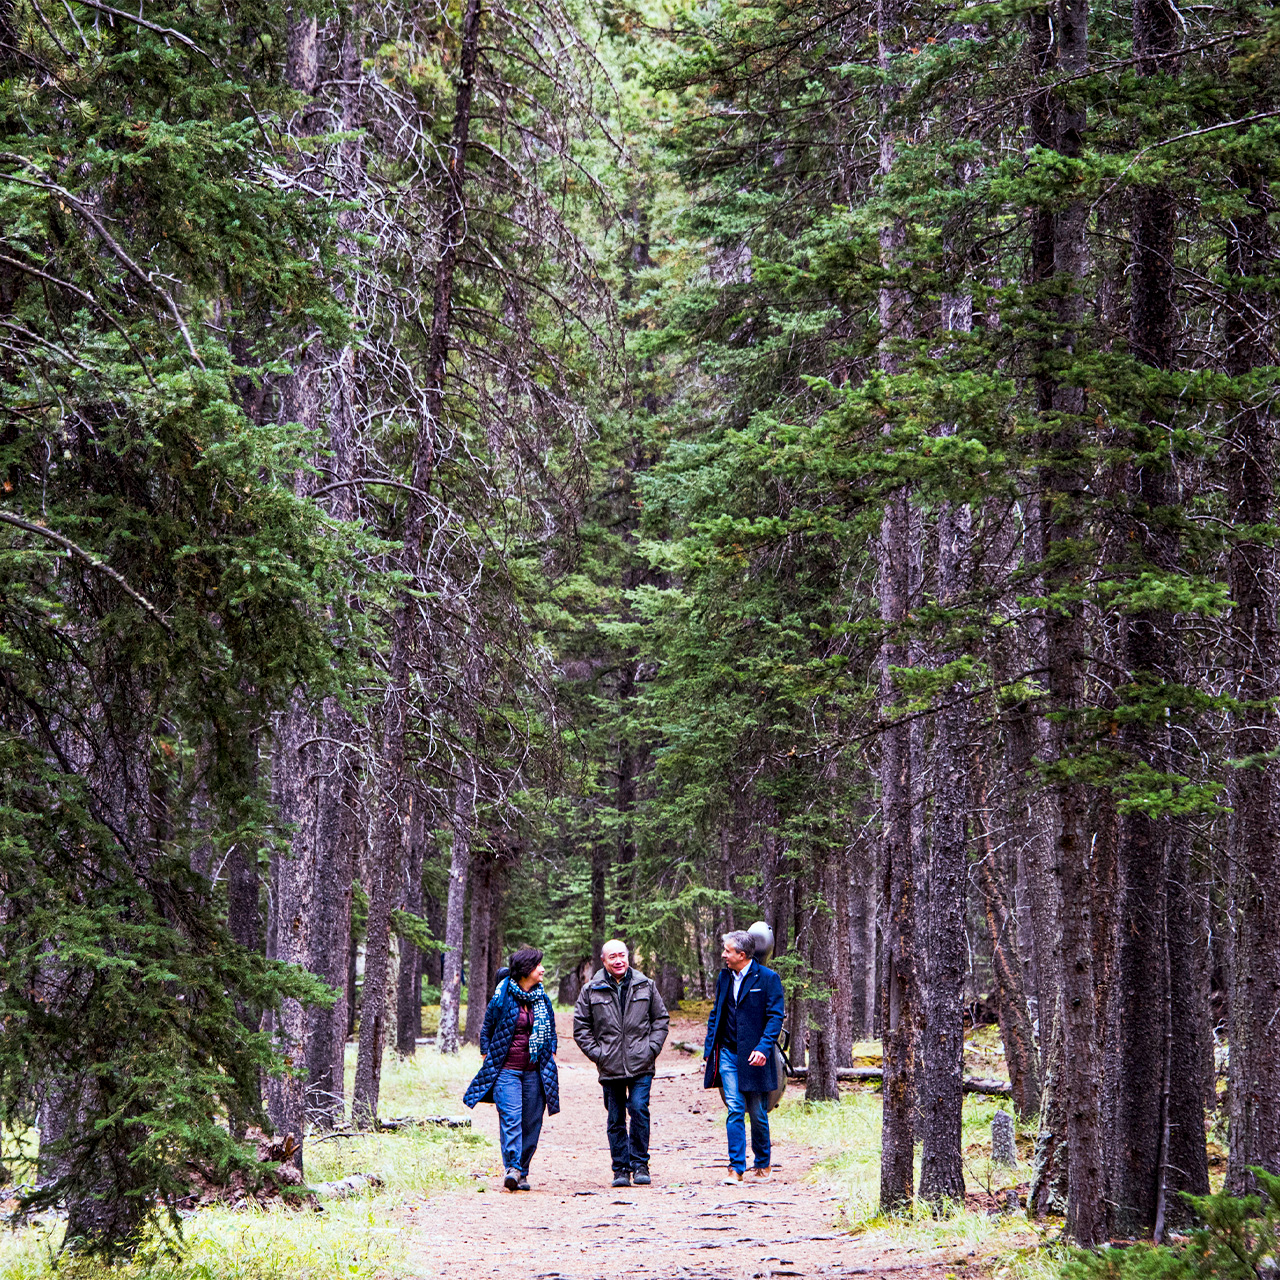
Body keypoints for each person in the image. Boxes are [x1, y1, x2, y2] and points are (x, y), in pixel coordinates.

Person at [573, 939, 670, 1187]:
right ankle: (620, 1169)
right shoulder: (591, 989)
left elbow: (660, 1019)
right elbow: (581, 1027)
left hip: (641, 1063)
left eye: (622, 955)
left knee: (638, 1109)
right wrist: (598, 1053)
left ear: (628, 957)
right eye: (613, 957)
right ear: (604, 961)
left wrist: (652, 1048)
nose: (619, 961)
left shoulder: (645, 985)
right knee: (615, 1117)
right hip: (610, 1065)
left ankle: (640, 1165)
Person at [463, 946, 560, 1191]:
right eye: (539, 966)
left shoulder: (542, 998)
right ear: (526, 969)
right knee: (511, 1118)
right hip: (507, 1070)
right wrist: (487, 1054)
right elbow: (487, 1028)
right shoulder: (502, 996)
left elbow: (551, 1028)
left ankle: (523, 1171)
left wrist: (552, 1047)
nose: (543, 969)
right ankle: (513, 1169)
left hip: (535, 1071)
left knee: (532, 1122)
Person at [702, 929, 785, 1182]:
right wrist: (709, 1048)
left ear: (742, 954)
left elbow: (775, 1017)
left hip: (756, 1056)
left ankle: (762, 1163)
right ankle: (736, 1168)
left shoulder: (768, 979)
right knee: (735, 1108)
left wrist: (762, 1048)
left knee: (758, 1112)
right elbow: (717, 1012)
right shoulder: (724, 977)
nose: (723, 955)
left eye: (728, 951)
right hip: (728, 1053)